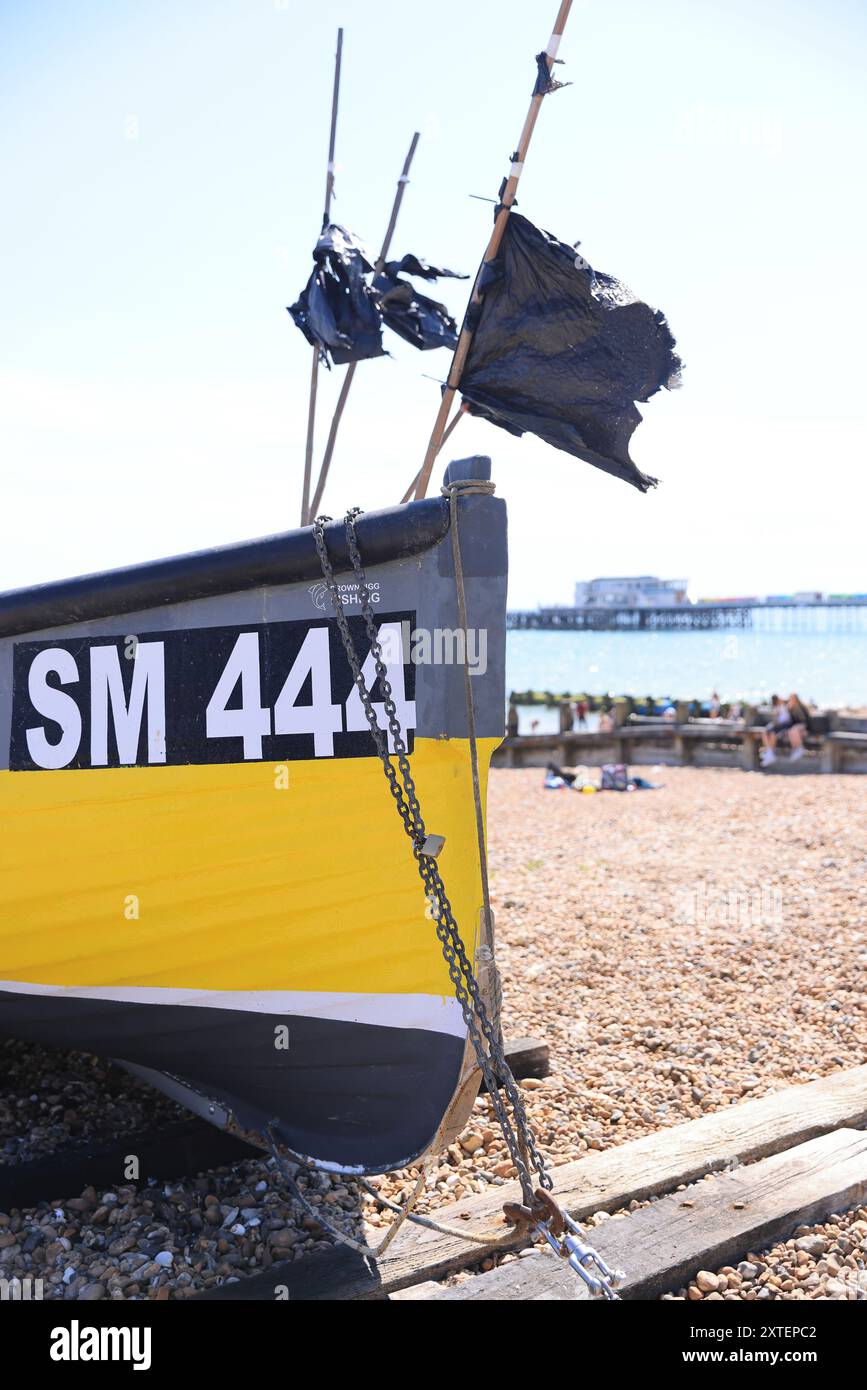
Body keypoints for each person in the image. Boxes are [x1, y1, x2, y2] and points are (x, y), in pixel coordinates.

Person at [761, 692, 808, 765]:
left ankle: (770, 753)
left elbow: (799, 719)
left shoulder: (789, 705)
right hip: (781, 725)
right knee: (765, 732)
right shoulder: (781, 706)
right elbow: (778, 716)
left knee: (774, 733)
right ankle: (769, 752)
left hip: (786, 725)